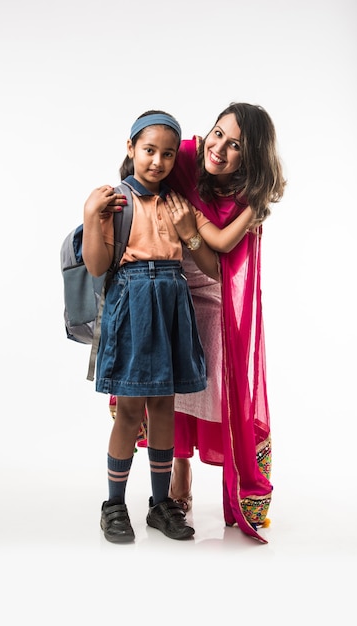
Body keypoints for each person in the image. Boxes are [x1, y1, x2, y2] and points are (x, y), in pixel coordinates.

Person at [82, 110, 221, 544]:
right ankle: (114, 505)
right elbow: (98, 266)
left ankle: (160, 505)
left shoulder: (180, 204)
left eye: (165, 154)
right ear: (130, 149)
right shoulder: (116, 201)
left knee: (164, 408)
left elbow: (212, 267)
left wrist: (188, 230)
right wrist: (91, 216)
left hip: (171, 308)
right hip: (132, 307)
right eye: (148, 151)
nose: (157, 161)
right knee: (129, 411)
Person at [163, 102, 286, 544]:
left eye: (234, 145)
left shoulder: (244, 201)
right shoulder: (188, 158)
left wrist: (190, 231)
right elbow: (145, 154)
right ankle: (178, 471)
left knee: (209, 386)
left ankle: (232, 486)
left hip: (211, 298)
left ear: (248, 159)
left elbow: (221, 270)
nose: (219, 147)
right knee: (171, 382)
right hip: (170, 288)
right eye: (218, 133)